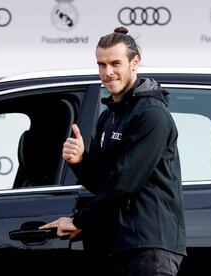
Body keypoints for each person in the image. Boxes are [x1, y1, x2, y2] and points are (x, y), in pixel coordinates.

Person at [40, 26, 186, 275]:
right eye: (101, 64)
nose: (107, 73)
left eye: (115, 63)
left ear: (135, 62)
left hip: (150, 247)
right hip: (121, 245)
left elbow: (124, 182)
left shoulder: (151, 115)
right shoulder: (109, 116)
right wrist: (80, 161)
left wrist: (78, 221)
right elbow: (104, 183)